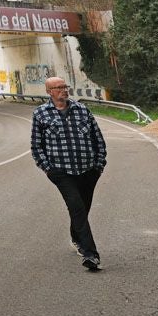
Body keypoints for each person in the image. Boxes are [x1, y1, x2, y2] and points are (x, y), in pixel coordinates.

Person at [30, 77, 107, 271]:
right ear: (49, 92)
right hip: (62, 172)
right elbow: (36, 146)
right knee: (77, 208)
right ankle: (91, 254)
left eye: (65, 86)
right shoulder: (40, 114)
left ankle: (76, 237)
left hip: (89, 169)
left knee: (83, 206)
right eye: (59, 88)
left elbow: (98, 138)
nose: (64, 90)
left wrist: (99, 165)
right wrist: (48, 169)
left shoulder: (82, 110)